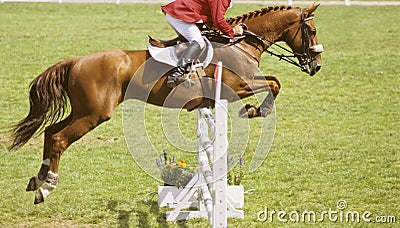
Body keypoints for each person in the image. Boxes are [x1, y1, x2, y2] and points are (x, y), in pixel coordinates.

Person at [162, 0, 243, 88]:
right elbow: (218, 20)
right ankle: (176, 74)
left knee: (197, 40)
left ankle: (190, 71)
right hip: (180, 14)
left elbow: (212, 17)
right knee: (198, 42)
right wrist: (233, 31)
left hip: (182, 12)